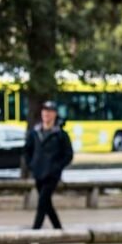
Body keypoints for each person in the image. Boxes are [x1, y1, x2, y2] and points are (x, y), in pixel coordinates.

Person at [24, 99, 73, 230]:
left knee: (42, 202)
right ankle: (58, 229)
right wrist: (32, 165)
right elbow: (27, 151)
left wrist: (57, 167)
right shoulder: (34, 133)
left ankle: (35, 232)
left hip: (52, 175)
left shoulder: (61, 135)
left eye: (50, 111)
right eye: (45, 111)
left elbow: (68, 155)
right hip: (38, 173)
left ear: (55, 114)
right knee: (47, 203)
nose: (47, 114)